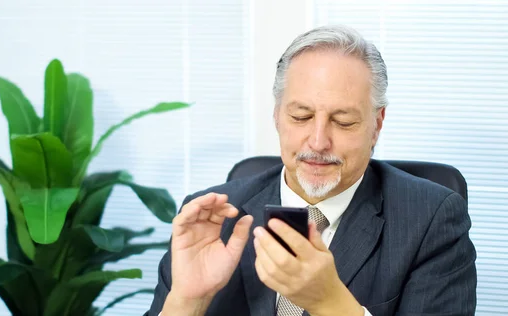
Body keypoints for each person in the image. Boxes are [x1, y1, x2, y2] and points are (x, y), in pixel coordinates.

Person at [145, 25, 477, 316]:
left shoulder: (432, 220)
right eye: (301, 117)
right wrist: (188, 302)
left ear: (376, 125)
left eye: (343, 121)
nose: (318, 142)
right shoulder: (210, 218)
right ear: (277, 115)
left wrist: (331, 304)